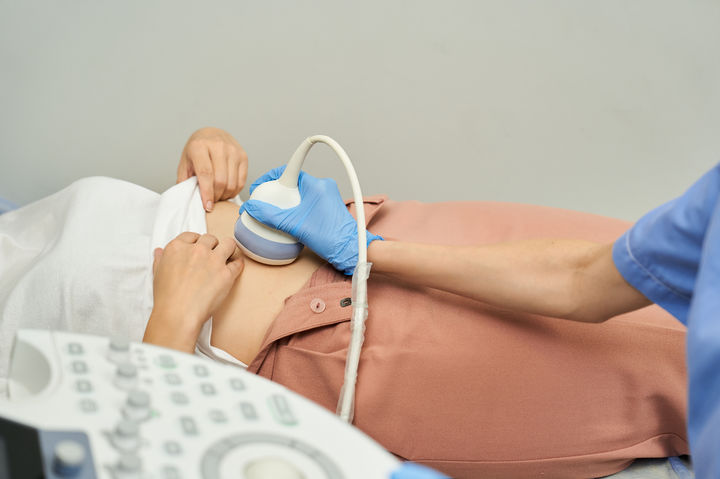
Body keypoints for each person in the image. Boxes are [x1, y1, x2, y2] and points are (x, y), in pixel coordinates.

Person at [143, 130, 689, 478]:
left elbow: (582, 283)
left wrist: (170, 322)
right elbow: (582, 278)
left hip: (352, 296)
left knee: (654, 352)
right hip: (367, 280)